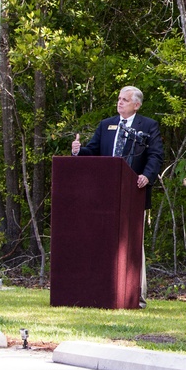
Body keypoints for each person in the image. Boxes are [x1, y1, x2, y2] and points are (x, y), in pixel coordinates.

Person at [71, 85, 164, 307]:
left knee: (132, 244)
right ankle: (104, 290)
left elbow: (156, 155)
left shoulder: (148, 126)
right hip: (105, 195)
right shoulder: (107, 125)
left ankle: (135, 294)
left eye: (125, 99)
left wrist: (146, 176)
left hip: (134, 192)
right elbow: (92, 152)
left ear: (136, 105)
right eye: (119, 99)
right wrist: (77, 151)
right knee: (103, 241)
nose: (119, 102)